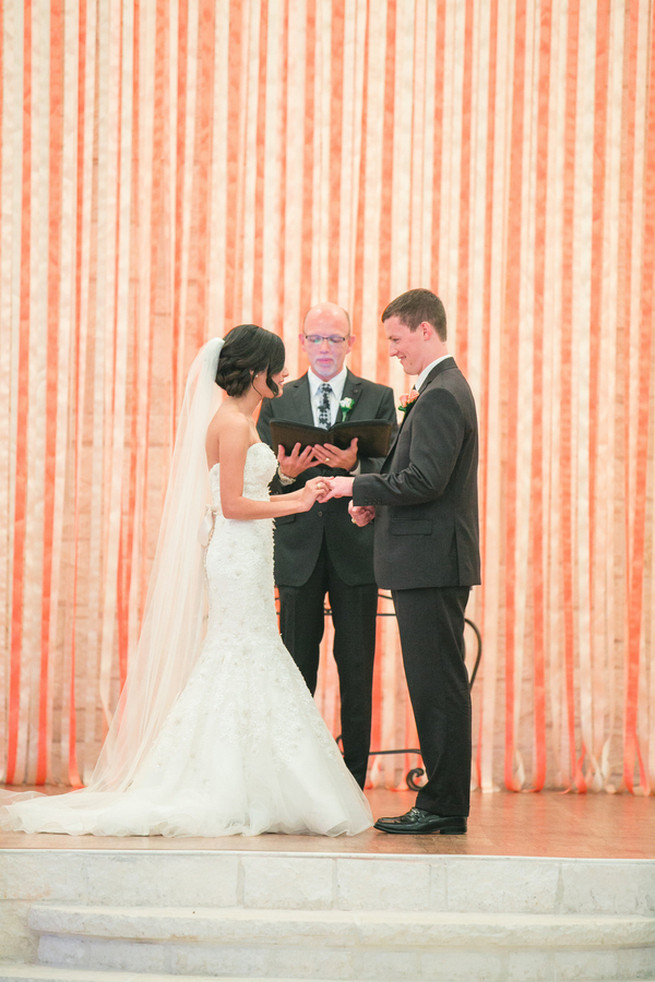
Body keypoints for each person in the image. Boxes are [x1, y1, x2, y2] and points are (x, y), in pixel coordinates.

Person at [0, 325, 372, 837]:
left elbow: (241, 490)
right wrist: (301, 499)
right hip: (238, 556)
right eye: (279, 367)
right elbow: (235, 506)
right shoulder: (233, 424)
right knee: (245, 651)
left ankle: (249, 778)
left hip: (247, 552)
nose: (286, 376)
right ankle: (234, 782)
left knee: (248, 652)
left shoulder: (241, 421)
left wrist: (284, 478)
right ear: (258, 372)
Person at [322, 289, 480, 834]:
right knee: (436, 684)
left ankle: (442, 805)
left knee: (438, 687)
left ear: (425, 332)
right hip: (427, 562)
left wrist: (352, 486)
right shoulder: (437, 388)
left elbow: (425, 480)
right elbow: (418, 482)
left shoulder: (439, 394)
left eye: (395, 338)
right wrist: (375, 501)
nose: (391, 349)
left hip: (431, 565)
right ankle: (443, 802)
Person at [256, 303, 397, 788]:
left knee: (357, 667)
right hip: (297, 550)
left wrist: (357, 471)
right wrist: (285, 474)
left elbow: (394, 472)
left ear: (351, 344)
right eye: (315, 339)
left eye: (334, 340)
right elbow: (260, 480)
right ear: (301, 342)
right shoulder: (278, 400)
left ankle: (353, 780)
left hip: (355, 549)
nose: (324, 349)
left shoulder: (378, 397)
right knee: (296, 665)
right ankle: (295, 779)